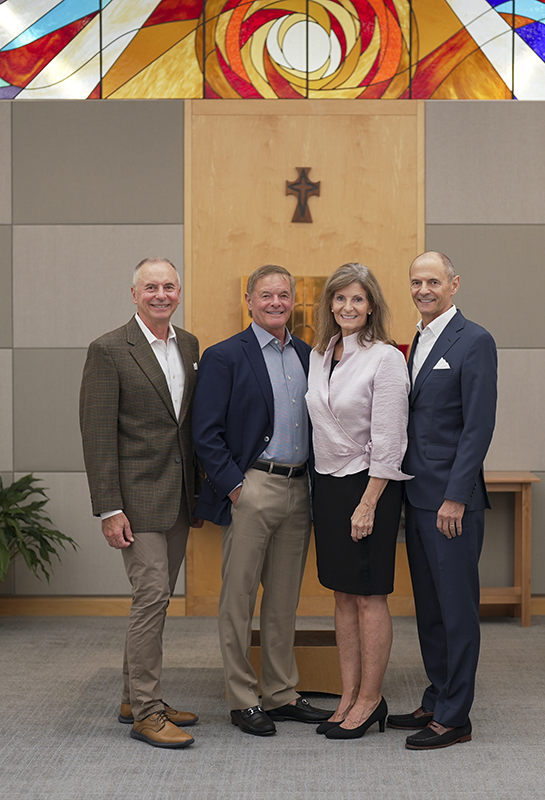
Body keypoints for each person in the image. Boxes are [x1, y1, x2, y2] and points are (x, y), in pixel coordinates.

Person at [193, 264, 333, 736]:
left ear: (293, 301)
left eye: (283, 295)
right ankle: (241, 697)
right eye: (266, 295)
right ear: (249, 301)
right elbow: (205, 432)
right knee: (239, 598)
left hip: (300, 490)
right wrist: (235, 486)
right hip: (252, 488)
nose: (275, 303)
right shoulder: (224, 356)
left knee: (284, 600)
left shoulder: (310, 356)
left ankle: (280, 693)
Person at [79, 258, 200, 749]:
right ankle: (147, 714)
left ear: (178, 292)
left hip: (179, 499)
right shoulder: (108, 350)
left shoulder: (189, 345)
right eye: (150, 287)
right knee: (151, 598)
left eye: (169, 286)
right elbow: (97, 433)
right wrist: (109, 509)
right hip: (135, 501)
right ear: (133, 294)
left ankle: (135, 696)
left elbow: (183, 427)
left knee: (156, 600)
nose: (161, 294)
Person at [389, 251, 497, 751]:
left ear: (454, 283)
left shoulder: (474, 340)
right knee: (429, 609)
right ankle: (437, 697)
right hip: (416, 494)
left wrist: (456, 496)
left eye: (433, 280)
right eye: (416, 281)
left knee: (456, 610)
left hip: (451, 502)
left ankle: (456, 717)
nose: (423, 289)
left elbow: (477, 426)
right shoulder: (417, 341)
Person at [304, 263, 411, 741]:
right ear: (330, 304)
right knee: (341, 593)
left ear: (372, 307)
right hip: (327, 485)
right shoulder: (321, 353)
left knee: (369, 596)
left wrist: (368, 503)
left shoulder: (385, 358)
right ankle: (348, 694)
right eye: (340, 298)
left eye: (358, 300)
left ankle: (371, 699)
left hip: (371, 488)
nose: (348, 307)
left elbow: (391, 441)